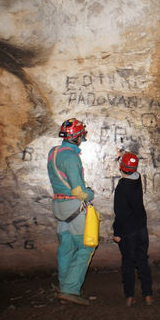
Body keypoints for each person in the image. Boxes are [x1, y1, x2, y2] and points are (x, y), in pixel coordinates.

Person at [46, 118, 96, 306]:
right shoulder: (71, 157)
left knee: (66, 245)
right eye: (82, 134)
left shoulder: (54, 152)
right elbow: (79, 191)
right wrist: (91, 193)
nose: (83, 138)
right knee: (86, 247)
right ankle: (70, 289)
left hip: (58, 205)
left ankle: (64, 284)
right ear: (76, 136)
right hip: (73, 207)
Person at [112, 152, 153, 307]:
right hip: (141, 228)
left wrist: (117, 232)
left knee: (128, 263)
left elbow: (120, 213)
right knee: (142, 261)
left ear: (121, 167)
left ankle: (130, 296)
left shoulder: (122, 186)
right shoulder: (138, 179)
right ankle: (148, 295)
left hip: (127, 231)